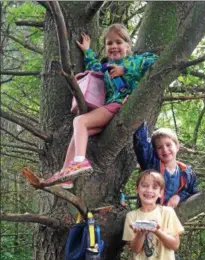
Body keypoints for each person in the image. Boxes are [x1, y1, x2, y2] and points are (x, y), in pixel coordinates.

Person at [48, 23, 158, 189]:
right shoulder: (105, 68)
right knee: (79, 134)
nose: (114, 46)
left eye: (119, 42)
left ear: (128, 46)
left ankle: (79, 162)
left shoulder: (134, 61)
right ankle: (66, 175)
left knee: (80, 122)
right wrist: (87, 51)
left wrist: (125, 68)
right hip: (109, 112)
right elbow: (93, 66)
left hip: (119, 107)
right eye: (109, 43)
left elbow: (154, 60)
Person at [134, 121, 198, 208]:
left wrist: (179, 196)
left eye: (168, 145)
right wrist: (140, 120)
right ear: (155, 152)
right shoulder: (152, 165)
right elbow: (142, 145)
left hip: (171, 218)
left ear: (177, 146)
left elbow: (192, 192)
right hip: (148, 216)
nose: (165, 149)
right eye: (159, 147)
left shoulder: (187, 173)